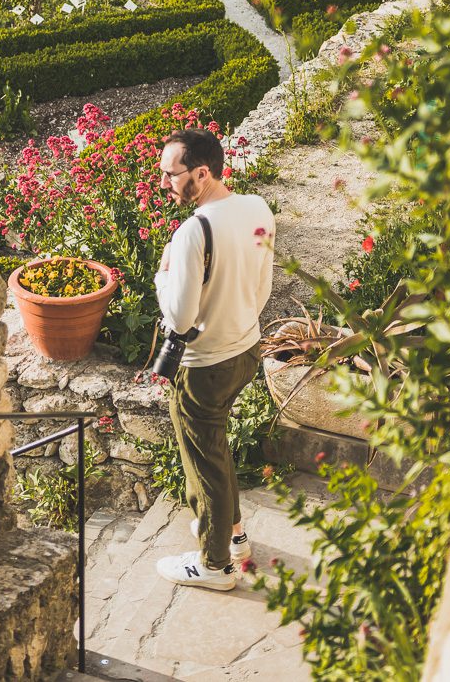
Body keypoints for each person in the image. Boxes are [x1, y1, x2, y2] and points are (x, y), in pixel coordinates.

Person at [153, 127, 275, 592]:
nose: (166, 182)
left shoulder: (191, 232)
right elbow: (262, 286)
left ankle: (215, 562)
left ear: (202, 174)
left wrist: (162, 276)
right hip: (246, 349)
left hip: (205, 365)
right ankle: (235, 536)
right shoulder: (258, 208)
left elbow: (180, 318)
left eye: (173, 173)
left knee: (203, 461)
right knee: (216, 447)